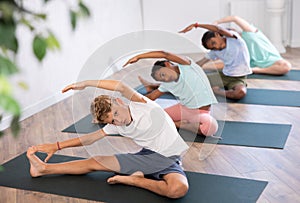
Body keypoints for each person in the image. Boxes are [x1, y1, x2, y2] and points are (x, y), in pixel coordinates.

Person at [26, 79, 189, 199]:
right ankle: (44, 169)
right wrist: (56, 146)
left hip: (169, 159)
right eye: (112, 121)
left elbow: (120, 86)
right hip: (147, 157)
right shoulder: (116, 125)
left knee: (178, 189)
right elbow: (90, 139)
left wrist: (86, 84)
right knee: (95, 161)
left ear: (119, 101)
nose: (118, 121)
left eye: (116, 114)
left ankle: (135, 180)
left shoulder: (143, 105)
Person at [123, 50, 219, 136]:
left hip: (202, 113)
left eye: (163, 74)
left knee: (210, 127)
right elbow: (151, 97)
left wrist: (139, 56)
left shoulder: (187, 66)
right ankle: (179, 124)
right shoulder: (167, 84)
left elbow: (164, 54)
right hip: (183, 109)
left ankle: (179, 124)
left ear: (167, 64)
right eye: (162, 79)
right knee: (155, 118)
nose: (165, 79)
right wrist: (129, 106)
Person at [181, 15, 291, 75]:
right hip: (245, 63)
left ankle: (255, 70)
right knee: (215, 64)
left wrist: (216, 22)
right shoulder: (230, 46)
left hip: (270, 60)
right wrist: (190, 67)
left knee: (286, 67)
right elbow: (206, 59)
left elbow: (234, 18)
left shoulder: (250, 34)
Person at [179, 22, 252, 99]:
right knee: (192, 82)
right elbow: (201, 62)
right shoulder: (215, 51)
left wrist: (197, 25)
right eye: (213, 47)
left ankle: (216, 91)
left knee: (240, 93)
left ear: (217, 34)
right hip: (223, 76)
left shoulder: (234, 39)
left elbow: (218, 29)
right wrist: (183, 70)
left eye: (213, 42)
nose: (216, 47)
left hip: (239, 79)